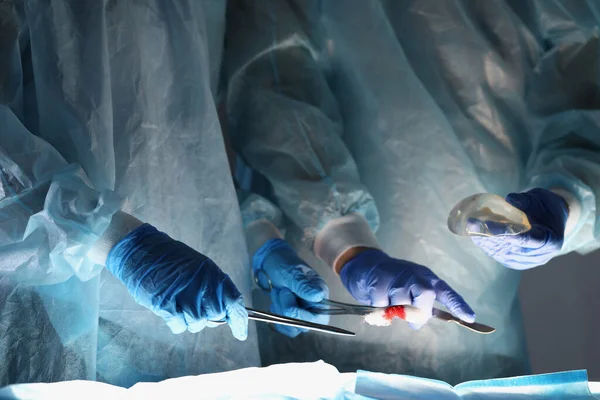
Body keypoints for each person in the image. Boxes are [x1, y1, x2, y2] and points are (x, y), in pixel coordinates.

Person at [223, 0, 600, 384]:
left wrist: (566, 201)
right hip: (313, 326)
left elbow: (588, 86)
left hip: (477, 340)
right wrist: (346, 244)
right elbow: (272, 85)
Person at [0, 0, 259, 387]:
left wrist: (260, 228)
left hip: (181, 301)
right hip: (47, 297)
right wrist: (109, 237)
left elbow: (192, 121)